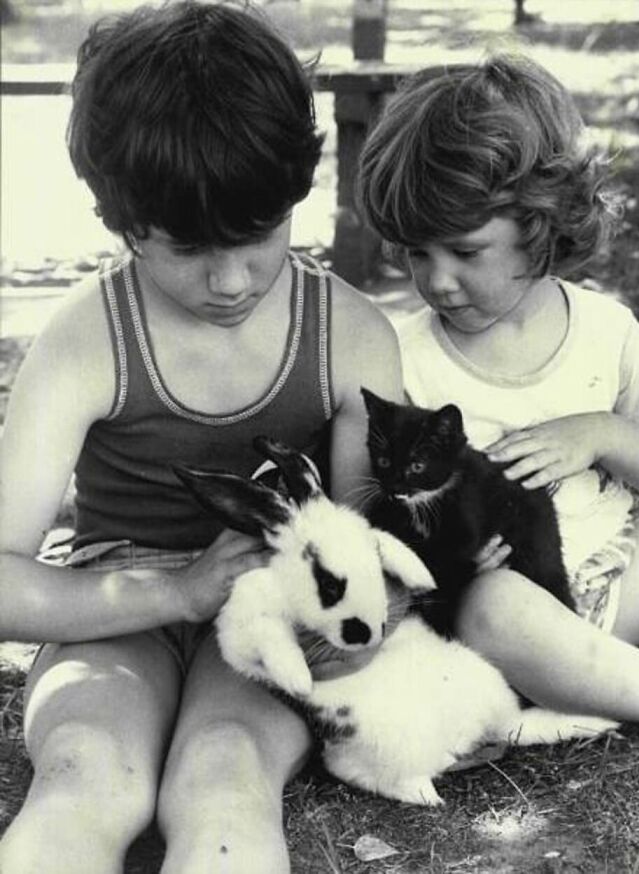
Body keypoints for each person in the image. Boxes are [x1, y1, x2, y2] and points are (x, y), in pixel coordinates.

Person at [0, 3, 402, 873]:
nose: (229, 280)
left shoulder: (350, 335)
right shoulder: (86, 340)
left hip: (271, 614)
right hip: (113, 613)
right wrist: (178, 592)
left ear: (294, 192)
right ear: (121, 220)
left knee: (226, 773)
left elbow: (372, 548)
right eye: (186, 249)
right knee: (86, 773)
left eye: (256, 237)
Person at [356, 54, 639, 729]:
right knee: (497, 606)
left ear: (541, 221)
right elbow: (379, 516)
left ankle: (583, 680)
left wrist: (603, 433)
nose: (438, 281)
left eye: (465, 251)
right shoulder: (404, 359)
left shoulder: (604, 328)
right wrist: (449, 560)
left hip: (613, 584)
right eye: (417, 253)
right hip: (494, 616)